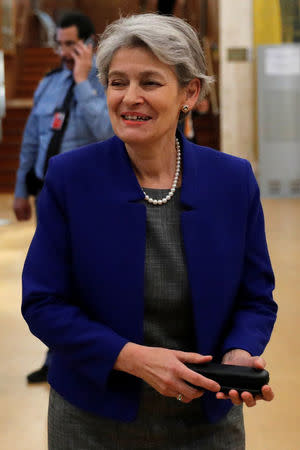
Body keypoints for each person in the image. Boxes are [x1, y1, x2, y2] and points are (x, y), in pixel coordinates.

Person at [21, 13, 277, 449]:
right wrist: (132, 359)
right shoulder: (70, 178)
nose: (129, 98)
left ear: (189, 92)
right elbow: (44, 302)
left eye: (150, 83)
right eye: (117, 82)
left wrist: (239, 351)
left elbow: (255, 297)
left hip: (207, 421)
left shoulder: (232, 180)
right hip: (92, 418)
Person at [14, 11, 113, 383]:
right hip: (48, 196)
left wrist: (84, 80)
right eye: (60, 44)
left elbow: (105, 132)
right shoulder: (49, 82)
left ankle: (90, 354)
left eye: (71, 44)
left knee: (89, 280)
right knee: (54, 280)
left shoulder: (106, 83)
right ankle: (55, 356)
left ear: (90, 44)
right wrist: (22, 189)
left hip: (90, 200)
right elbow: (31, 138)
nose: (63, 51)